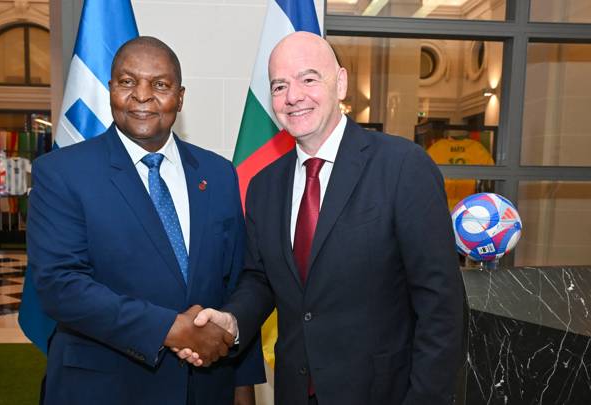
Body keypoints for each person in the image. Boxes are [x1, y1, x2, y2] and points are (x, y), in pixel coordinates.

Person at [182, 32, 464, 405]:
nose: (293, 96)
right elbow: (262, 278)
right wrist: (233, 321)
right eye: (279, 85)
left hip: (383, 393)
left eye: (308, 78)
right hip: (295, 392)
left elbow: (441, 305)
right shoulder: (264, 185)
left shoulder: (402, 167)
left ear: (341, 83)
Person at [27, 36, 264, 405]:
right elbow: (61, 285)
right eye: (127, 81)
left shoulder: (218, 174)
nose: (142, 95)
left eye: (160, 84)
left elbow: (237, 279)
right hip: (104, 390)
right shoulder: (61, 173)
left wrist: (243, 384)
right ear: (110, 89)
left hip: (205, 388)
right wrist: (171, 329)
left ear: (180, 97)